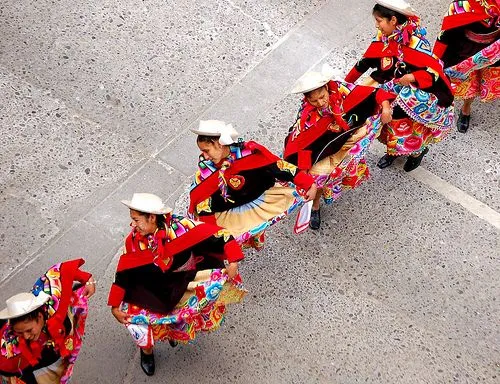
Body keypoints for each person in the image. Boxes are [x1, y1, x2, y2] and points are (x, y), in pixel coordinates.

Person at [108, 193, 246, 377]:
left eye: (135, 219)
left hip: (182, 284)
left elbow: (219, 234)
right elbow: (123, 273)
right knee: (137, 324)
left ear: (151, 217)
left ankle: (172, 333)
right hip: (149, 291)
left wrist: (234, 260)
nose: (131, 225)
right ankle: (147, 352)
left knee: (179, 319)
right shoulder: (133, 243)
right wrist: (115, 306)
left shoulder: (181, 227)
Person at [345, 0, 455, 172]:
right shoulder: (383, 39)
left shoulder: (416, 42)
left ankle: (417, 153)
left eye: (379, 20)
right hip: (388, 90)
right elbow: (364, 63)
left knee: (410, 131)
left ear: (393, 20)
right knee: (387, 127)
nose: (377, 25)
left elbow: (434, 71)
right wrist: (345, 85)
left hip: (410, 98)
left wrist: (413, 76)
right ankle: (393, 152)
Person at [284, 64, 395, 229]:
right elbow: (301, 146)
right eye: (313, 100)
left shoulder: (343, 91)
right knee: (317, 178)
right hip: (325, 152)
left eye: (322, 96)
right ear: (306, 99)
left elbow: (375, 93)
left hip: (348, 140)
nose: (320, 102)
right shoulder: (306, 119)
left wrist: (385, 108)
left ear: (327, 88)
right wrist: (305, 176)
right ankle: (315, 206)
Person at [189, 120, 317, 249]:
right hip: (230, 214)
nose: (204, 157)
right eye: (202, 151)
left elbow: (278, 166)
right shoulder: (206, 171)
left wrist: (309, 184)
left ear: (219, 144)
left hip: (259, 202)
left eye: (207, 151)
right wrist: (212, 236)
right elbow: (202, 200)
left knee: (258, 226)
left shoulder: (249, 153)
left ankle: (255, 235)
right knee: (230, 244)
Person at [0, 259, 95, 384]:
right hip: (37, 372)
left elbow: (60, 271)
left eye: (29, 330)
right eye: (20, 332)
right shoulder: (9, 342)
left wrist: (88, 280)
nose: (26, 336)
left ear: (40, 317)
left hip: (59, 355)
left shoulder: (51, 301)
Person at [433, 0, 499, 133]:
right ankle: (466, 109)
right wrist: (435, 60)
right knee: (469, 84)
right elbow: (447, 33)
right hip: (467, 51)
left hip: (493, 51)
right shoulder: (464, 5)